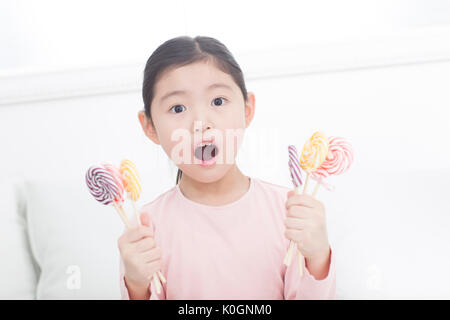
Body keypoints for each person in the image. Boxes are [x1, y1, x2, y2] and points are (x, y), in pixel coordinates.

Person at [118, 35, 335, 299]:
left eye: (218, 102)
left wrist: (318, 256)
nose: (201, 122)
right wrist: (136, 284)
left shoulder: (289, 212)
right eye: (178, 108)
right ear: (150, 127)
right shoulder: (145, 228)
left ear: (247, 110)